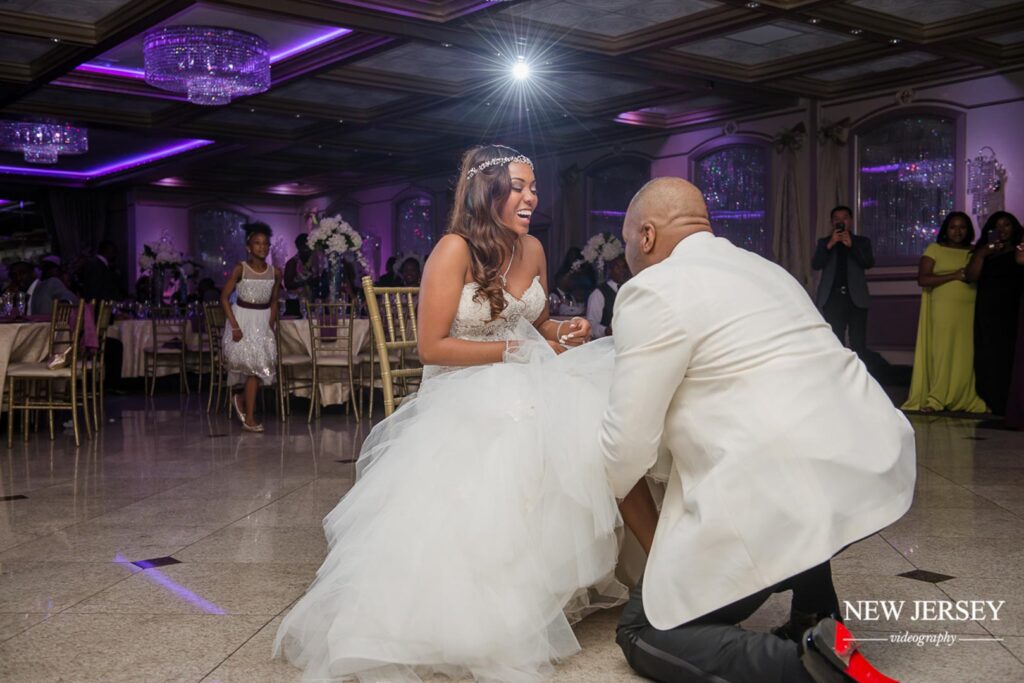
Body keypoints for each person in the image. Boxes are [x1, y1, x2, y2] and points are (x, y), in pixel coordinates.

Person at [275, 145, 654, 682]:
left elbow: (538, 322)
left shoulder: (535, 248)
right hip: (463, 389)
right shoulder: (453, 250)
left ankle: (606, 578)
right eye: (519, 187)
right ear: (488, 191)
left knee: (598, 420)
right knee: (516, 440)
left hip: (530, 377)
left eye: (534, 187)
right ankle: (491, 604)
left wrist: (564, 330)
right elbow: (431, 347)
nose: (531, 197)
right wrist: (514, 351)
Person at [601, 178, 914, 683]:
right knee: (797, 467)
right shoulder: (766, 269)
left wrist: (659, 552)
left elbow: (626, 447)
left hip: (778, 488)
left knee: (643, 628)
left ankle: (806, 668)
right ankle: (816, 615)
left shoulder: (652, 289)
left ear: (646, 237)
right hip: (869, 460)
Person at [902, 212, 987, 413]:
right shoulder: (935, 249)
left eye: (962, 227)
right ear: (945, 230)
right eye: (953, 227)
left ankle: (965, 398)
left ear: (969, 230)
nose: (958, 231)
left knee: (966, 354)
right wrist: (955, 275)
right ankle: (936, 398)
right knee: (942, 352)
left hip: (969, 309)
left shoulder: (974, 251)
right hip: (943, 310)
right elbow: (923, 279)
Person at [220, 222, 280, 433]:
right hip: (243, 319)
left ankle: (241, 399)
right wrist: (234, 326)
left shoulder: (275, 272)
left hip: (262, 321)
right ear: (248, 247)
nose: (261, 247)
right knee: (253, 371)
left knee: (262, 368)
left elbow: (274, 301)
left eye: (265, 244)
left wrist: (269, 325)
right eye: (257, 243)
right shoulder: (240, 269)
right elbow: (224, 298)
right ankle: (250, 418)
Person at [965, 211, 1024, 415]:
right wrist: (982, 253)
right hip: (988, 311)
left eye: (1006, 225)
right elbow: (971, 276)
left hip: (1013, 309)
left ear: (1014, 227)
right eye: (997, 226)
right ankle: (994, 401)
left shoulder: (1020, 251)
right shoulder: (984, 252)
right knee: (988, 356)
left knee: (1011, 355)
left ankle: (1012, 402)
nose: (1002, 230)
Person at [811, 206, 874, 356]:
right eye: (836, 219)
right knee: (834, 342)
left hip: (856, 299)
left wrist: (852, 246)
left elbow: (868, 263)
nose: (840, 222)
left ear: (850, 221)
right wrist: (829, 245)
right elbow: (816, 264)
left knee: (858, 344)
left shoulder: (862, 242)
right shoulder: (824, 242)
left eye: (844, 218)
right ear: (832, 222)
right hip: (833, 299)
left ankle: (858, 377)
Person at [585, 255, 630, 337]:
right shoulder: (598, 293)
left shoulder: (630, 290)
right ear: (610, 270)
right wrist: (605, 331)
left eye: (624, 267)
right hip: (605, 344)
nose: (622, 271)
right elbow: (591, 325)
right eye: (618, 267)